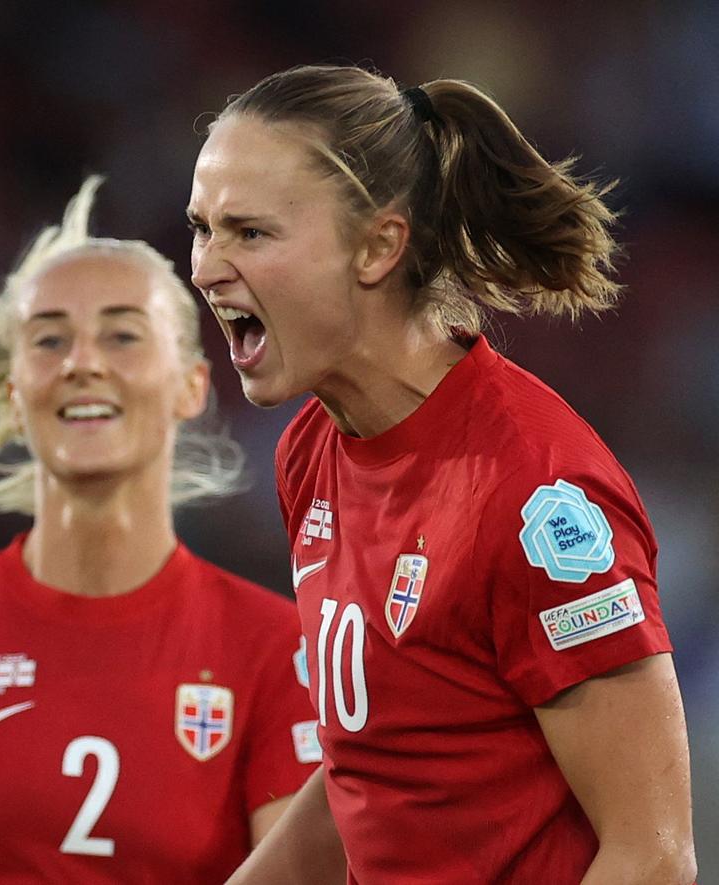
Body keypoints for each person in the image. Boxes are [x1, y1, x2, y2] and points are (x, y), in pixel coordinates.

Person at [185, 64, 697, 883]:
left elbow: (653, 855)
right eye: (201, 228)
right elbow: (372, 768)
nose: (206, 268)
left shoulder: (534, 491)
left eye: (249, 233)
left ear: (379, 246)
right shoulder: (311, 448)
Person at [0, 178, 324, 884]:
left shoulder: (275, 652)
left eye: (123, 334)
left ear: (191, 385)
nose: (83, 362)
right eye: (49, 339)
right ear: (14, 389)